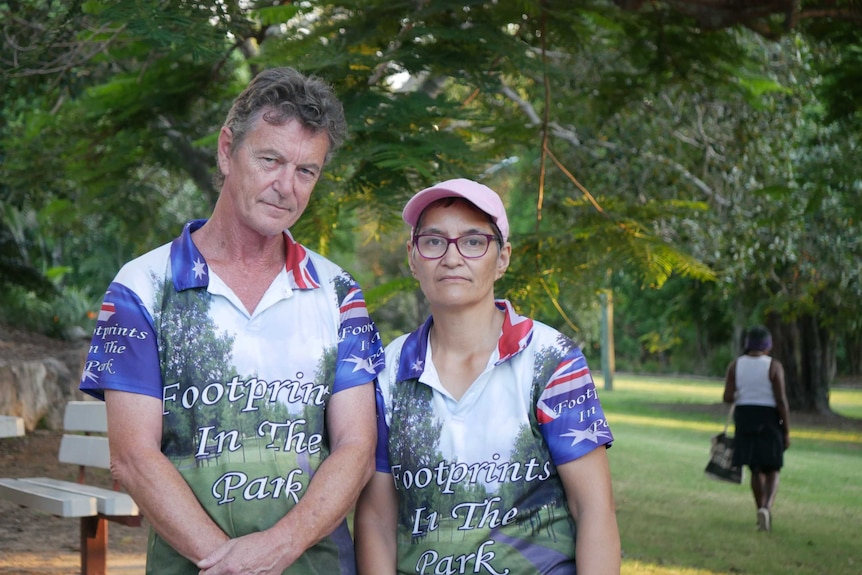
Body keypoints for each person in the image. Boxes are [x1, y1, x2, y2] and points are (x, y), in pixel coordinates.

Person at [79, 67, 384, 574]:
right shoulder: (141, 287)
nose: (286, 186)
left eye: (306, 171)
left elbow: (357, 446)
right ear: (227, 150)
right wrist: (230, 565)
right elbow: (133, 456)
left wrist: (278, 549)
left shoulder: (339, 293)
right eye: (270, 159)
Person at [354, 178, 621, 574]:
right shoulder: (388, 371)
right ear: (412, 257)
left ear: (502, 258)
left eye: (474, 241)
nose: (452, 257)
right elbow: (376, 519)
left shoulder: (550, 359)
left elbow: (594, 508)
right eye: (433, 241)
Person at [722, 325, 791, 533]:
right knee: (773, 467)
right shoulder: (774, 366)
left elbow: (727, 396)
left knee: (755, 467)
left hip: (744, 417)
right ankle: (767, 508)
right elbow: (781, 399)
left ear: (747, 345)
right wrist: (786, 429)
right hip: (768, 418)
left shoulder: (735, 366)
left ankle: (759, 509)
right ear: (768, 346)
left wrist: (744, 392)